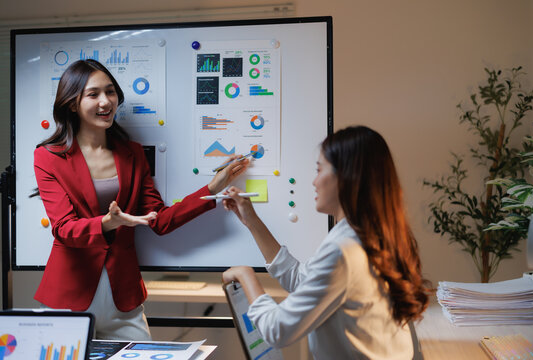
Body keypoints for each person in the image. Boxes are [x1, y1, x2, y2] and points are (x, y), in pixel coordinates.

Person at [33, 59, 249, 340]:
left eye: (110, 92)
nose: (105, 101)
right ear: (72, 104)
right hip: (67, 296)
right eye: (93, 94)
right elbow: (63, 228)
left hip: (123, 299)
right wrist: (107, 223)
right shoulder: (49, 157)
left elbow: (158, 221)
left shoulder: (132, 153)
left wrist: (212, 187)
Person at [222, 126, 431, 359]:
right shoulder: (364, 234)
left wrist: (246, 276)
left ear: (347, 176)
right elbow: (300, 279)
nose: (314, 181)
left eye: (319, 170)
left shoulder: (345, 249)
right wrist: (251, 221)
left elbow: (277, 330)